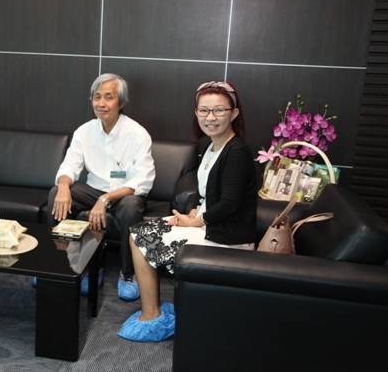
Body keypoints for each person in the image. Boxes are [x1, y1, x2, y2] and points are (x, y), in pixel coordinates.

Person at [118, 80, 257, 341]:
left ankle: (151, 315)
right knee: (139, 233)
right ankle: (153, 312)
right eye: (203, 110)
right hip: (208, 224)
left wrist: (195, 221)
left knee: (140, 237)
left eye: (219, 110)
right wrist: (194, 212)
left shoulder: (237, 150)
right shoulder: (212, 146)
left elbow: (229, 203)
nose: (210, 117)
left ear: (234, 114)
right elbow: (207, 193)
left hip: (227, 237)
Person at [48, 73, 155, 301]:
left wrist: (106, 199)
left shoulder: (137, 134)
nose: (101, 103)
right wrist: (64, 187)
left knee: (131, 207)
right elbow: (69, 166)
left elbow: (143, 180)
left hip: (126, 194)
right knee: (56, 192)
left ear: (121, 102)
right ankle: (63, 264)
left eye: (109, 97)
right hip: (94, 190)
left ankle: (128, 272)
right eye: (97, 97)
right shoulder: (84, 131)